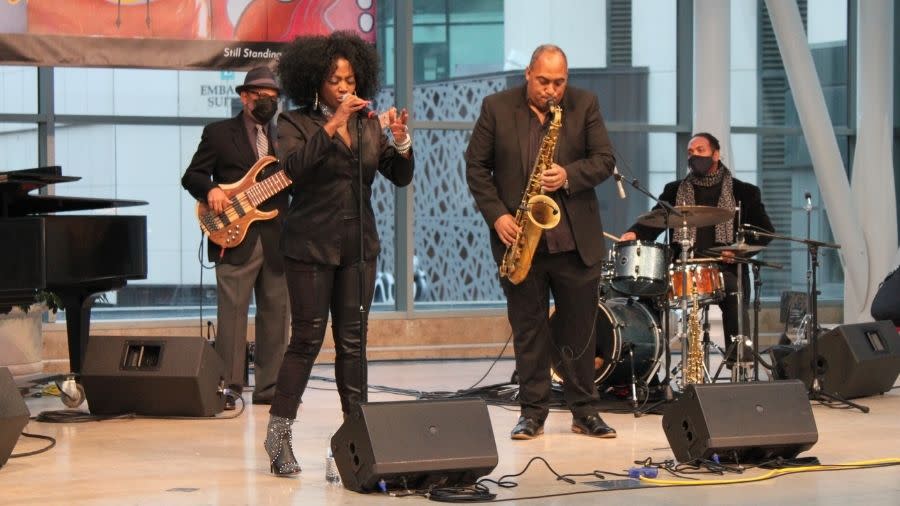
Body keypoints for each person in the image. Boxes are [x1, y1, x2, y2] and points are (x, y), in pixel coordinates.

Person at [263, 31, 414, 476]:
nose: (345, 88)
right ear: (316, 83)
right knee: (307, 340)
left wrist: (401, 142)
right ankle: (278, 436)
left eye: (350, 79)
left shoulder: (369, 125)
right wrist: (331, 126)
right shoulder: (294, 123)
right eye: (335, 80)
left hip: (358, 248)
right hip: (309, 245)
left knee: (353, 344)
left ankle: (356, 438)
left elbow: (399, 176)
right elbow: (291, 171)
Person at [465, 44, 617, 440]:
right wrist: (497, 215)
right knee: (529, 330)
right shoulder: (496, 107)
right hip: (521, 241)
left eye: (560, 82)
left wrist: (567, 175)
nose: (552, 90)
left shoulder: (584, 104)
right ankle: (532, 413)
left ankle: (585, 411)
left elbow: (604, 160)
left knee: (580, 331)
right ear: (528, 75)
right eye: (544, 81)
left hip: (574, 241)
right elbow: (476, 167)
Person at [181, 66, 290, 410]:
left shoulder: (285, 138)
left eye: (273, 98)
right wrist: (210, 189)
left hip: (276, 237)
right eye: (261, 97)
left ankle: (270, 388)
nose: (267, 103)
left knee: (276, 315)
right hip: (232, 233)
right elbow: (192, 176)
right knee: (232, 316)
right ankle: (229, 387)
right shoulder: (218, 133)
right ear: (244, 97)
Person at [619, 132, 774, 365]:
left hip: (725, 268)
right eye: (690, 153)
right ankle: (646, 362)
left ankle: (738, 362)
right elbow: (654, 220)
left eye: (700, 151)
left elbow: (764, 231)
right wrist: (635, 232)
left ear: (716, 153)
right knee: (649, 292)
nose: (694, 156)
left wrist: (741, 253)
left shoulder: (744, 192)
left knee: (735, 295)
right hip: (681, 267)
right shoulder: (675, 190)